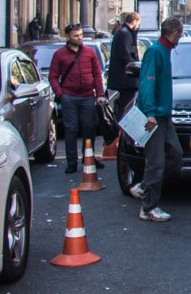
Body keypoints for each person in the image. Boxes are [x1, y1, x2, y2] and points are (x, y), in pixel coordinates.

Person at [130, 16, 184, 222]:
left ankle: (144, 186)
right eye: (181, 33)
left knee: (175, 155)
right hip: (153, 117)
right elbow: (147, 84)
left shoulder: (164, 50)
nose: (181, 37)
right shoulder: (155, 52)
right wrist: (150, 112)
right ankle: (148, 207)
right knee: (156, 162)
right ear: (175, 33)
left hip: (163, 115)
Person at [48, 23, 107, 174]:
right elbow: (53, 77)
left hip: (88, 96)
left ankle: (89, 158)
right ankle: (71, 162)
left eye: (81, 35)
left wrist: (99, 94)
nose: (80, 38)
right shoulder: (60, 54)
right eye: (76, 36)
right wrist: (60, 94)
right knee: (71, 129)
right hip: (70, 96)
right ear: (68, 36)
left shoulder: (89, 52)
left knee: (89, 128)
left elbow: (97, 75)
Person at [108, 11, 141, 118]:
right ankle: (122, 131)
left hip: (125, 79)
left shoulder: (124, 32)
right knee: (127, 107)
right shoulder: (125, 33)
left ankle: (122, 130)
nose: (138, 26)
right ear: (135, 21)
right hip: (126, 79)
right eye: (138, 23)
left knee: (125, 106)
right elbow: (126, 56)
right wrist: (137, 68)